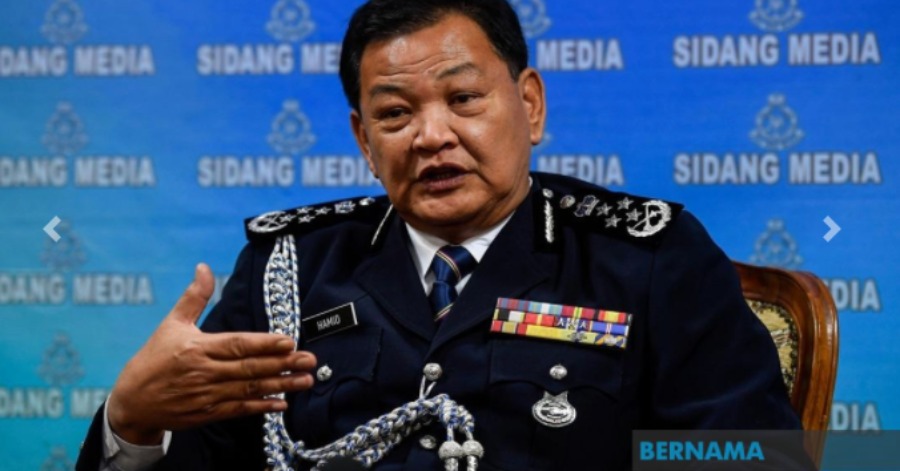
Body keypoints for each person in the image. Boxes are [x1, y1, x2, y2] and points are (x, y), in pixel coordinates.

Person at [76, 0, 801, 470]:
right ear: (364, 139)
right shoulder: (288, 270)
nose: (431, 136)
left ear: (530, 105)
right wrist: (130, 421)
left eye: (463, 99)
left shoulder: (647, 258)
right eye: (395, 114)